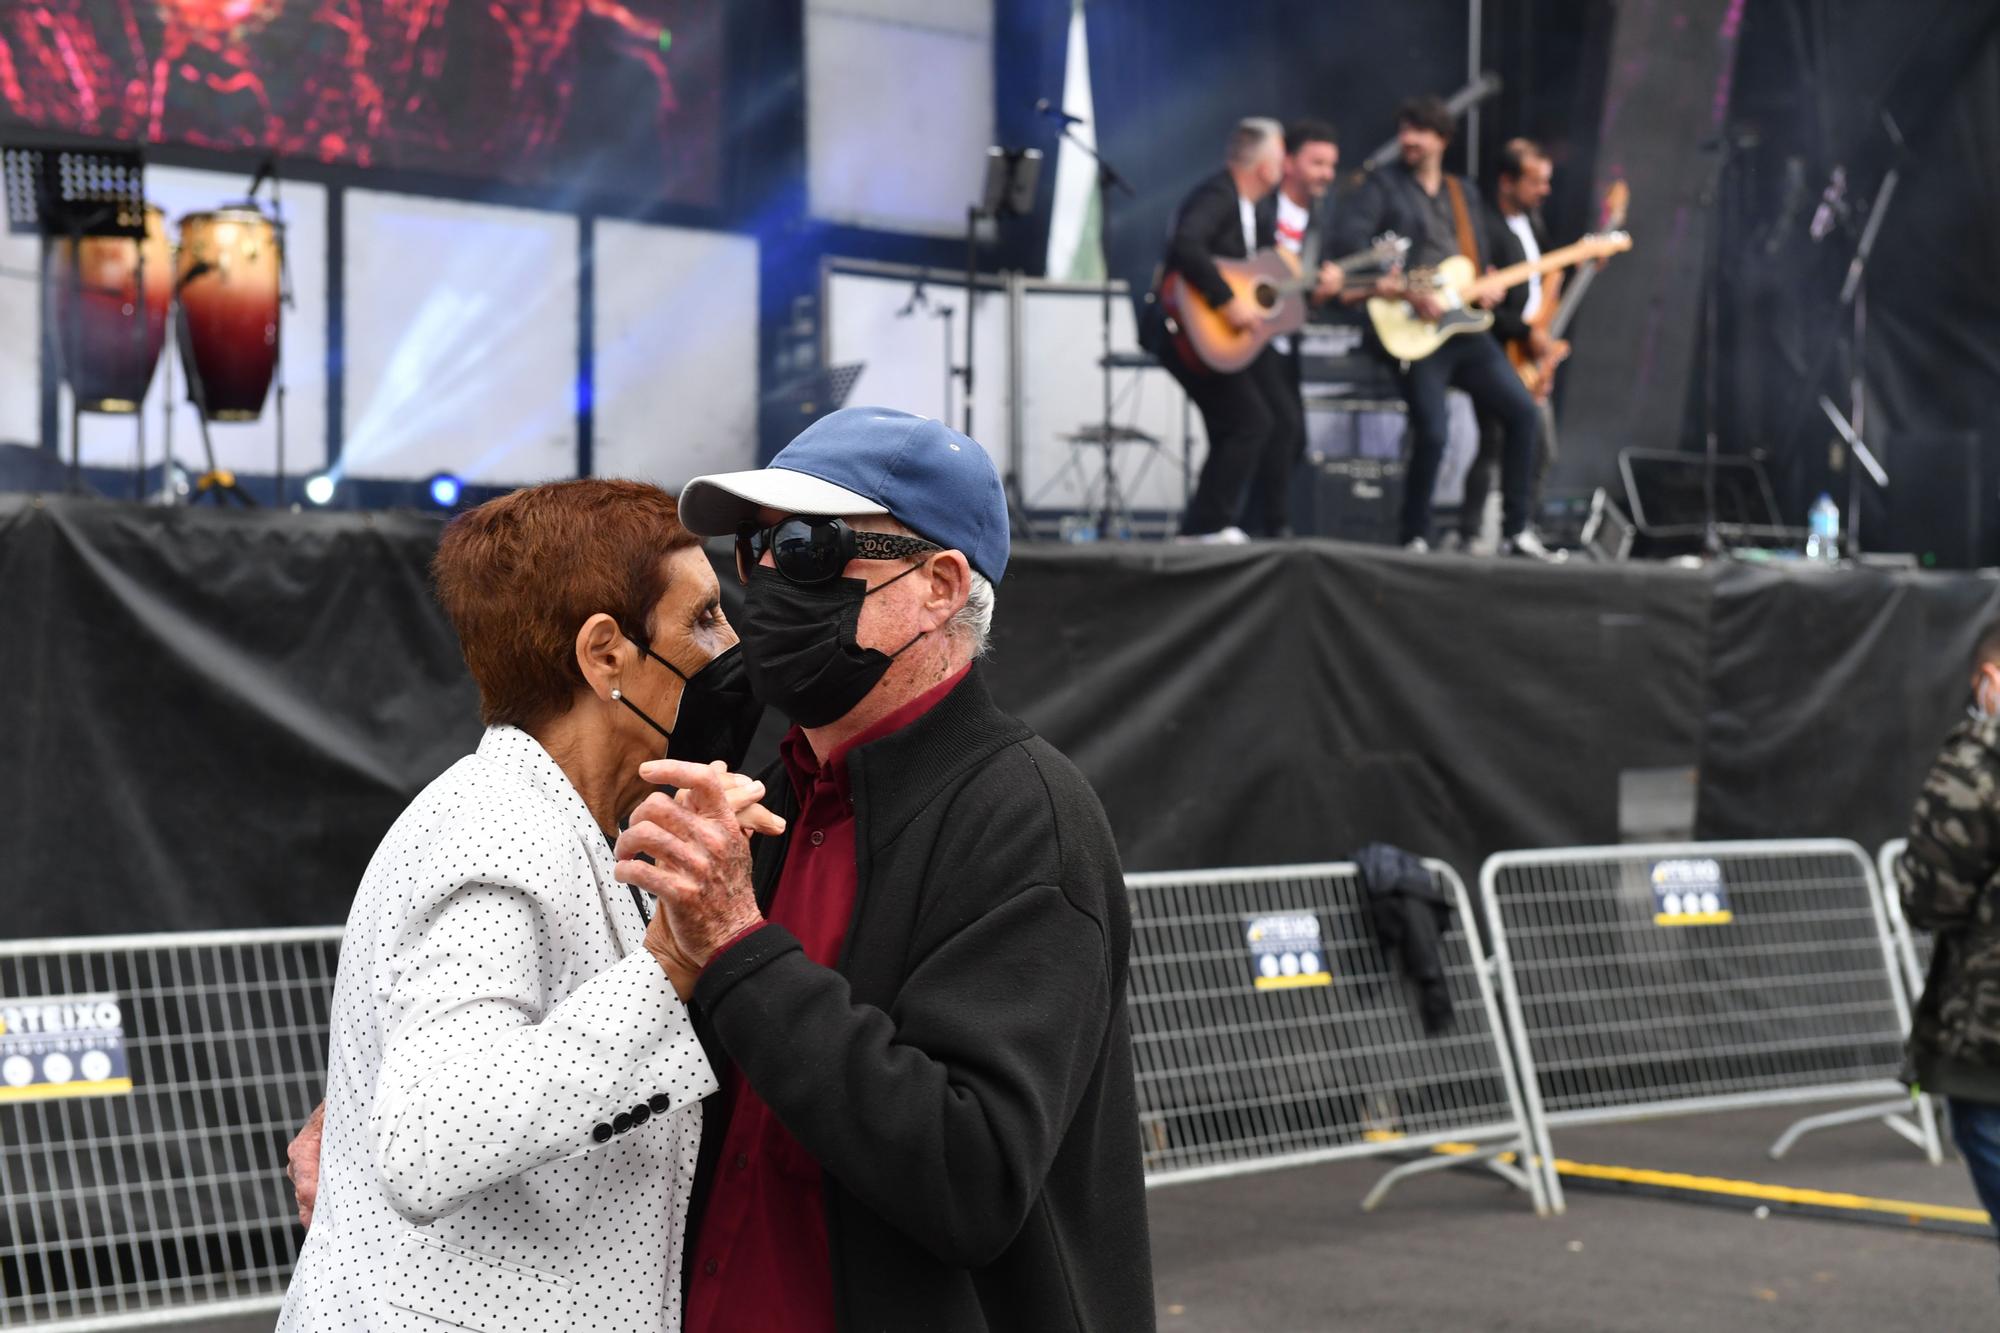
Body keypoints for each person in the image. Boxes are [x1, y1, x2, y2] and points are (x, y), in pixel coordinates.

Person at [617, 406, 1155, 1331]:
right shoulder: (767, 796)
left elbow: (972, 1173)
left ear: (942, 583)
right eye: (756, 548)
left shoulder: (1026, 816)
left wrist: (741, 945)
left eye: (811, 545)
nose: (771, 576)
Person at [277, 478, 777, 1332]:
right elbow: (431, 1135)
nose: (731, 645)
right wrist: (673, 964)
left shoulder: (549, 821)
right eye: (701, 620)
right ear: (605, 654)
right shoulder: (499, 831)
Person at [1334, 95, 1554, 557]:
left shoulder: (1463, 192)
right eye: (1405, 128)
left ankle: (1517, 531)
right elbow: (1350, 253)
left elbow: (1472, 259)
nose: (1408, 139)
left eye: (1420, 130)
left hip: (1464, 325)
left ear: (1442, 139)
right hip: (1412, 328)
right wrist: (1409, 288)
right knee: (1433, 432)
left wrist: (1485, 282)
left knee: (1522, 413)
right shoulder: (1381, 189)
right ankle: (1413, 534)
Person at [1151, 117, 1338, 543]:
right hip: (1191, 332)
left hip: (1225, 340)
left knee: (1262, 421)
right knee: (1249, 420)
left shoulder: (1250, 209)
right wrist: (1225, 299)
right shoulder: (1219, 195)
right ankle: (1206, 526)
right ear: (1267, 165)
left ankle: (1235, 523)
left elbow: (1255, 277)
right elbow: (1186, 244)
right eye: (1280, 157)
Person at [1899, 620, 2000, 1245]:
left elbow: (1931, 898)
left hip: (1991, 1026)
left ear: (1988, 680)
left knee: (1984, 1125)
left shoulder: (1981, 761)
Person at [1241, 116, 1344, 537]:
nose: (1326, 174)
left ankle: (1252, 524)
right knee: (1274, 428)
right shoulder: (1261, 206)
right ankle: (1271, 526)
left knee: (1289, 435)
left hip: (1285, 342)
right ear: (1289, 162)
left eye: (1331, 165)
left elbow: (1314, 291)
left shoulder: (1322, 221)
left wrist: (1329, 289)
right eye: (1317, 163)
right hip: (1247, 335)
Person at [1458, 138, 1560, 551]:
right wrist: (1522, 331)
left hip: (1528, 354)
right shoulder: (1485, 228)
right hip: (1497, 350)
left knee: (1538, 446)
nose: (1544, 190)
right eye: (1535, 181)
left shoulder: (1533, 223)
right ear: (1506, 181)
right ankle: (1473, 534)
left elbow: (1547, 279)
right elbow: (1477, 301)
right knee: (1496, 442)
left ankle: (1519, 529)